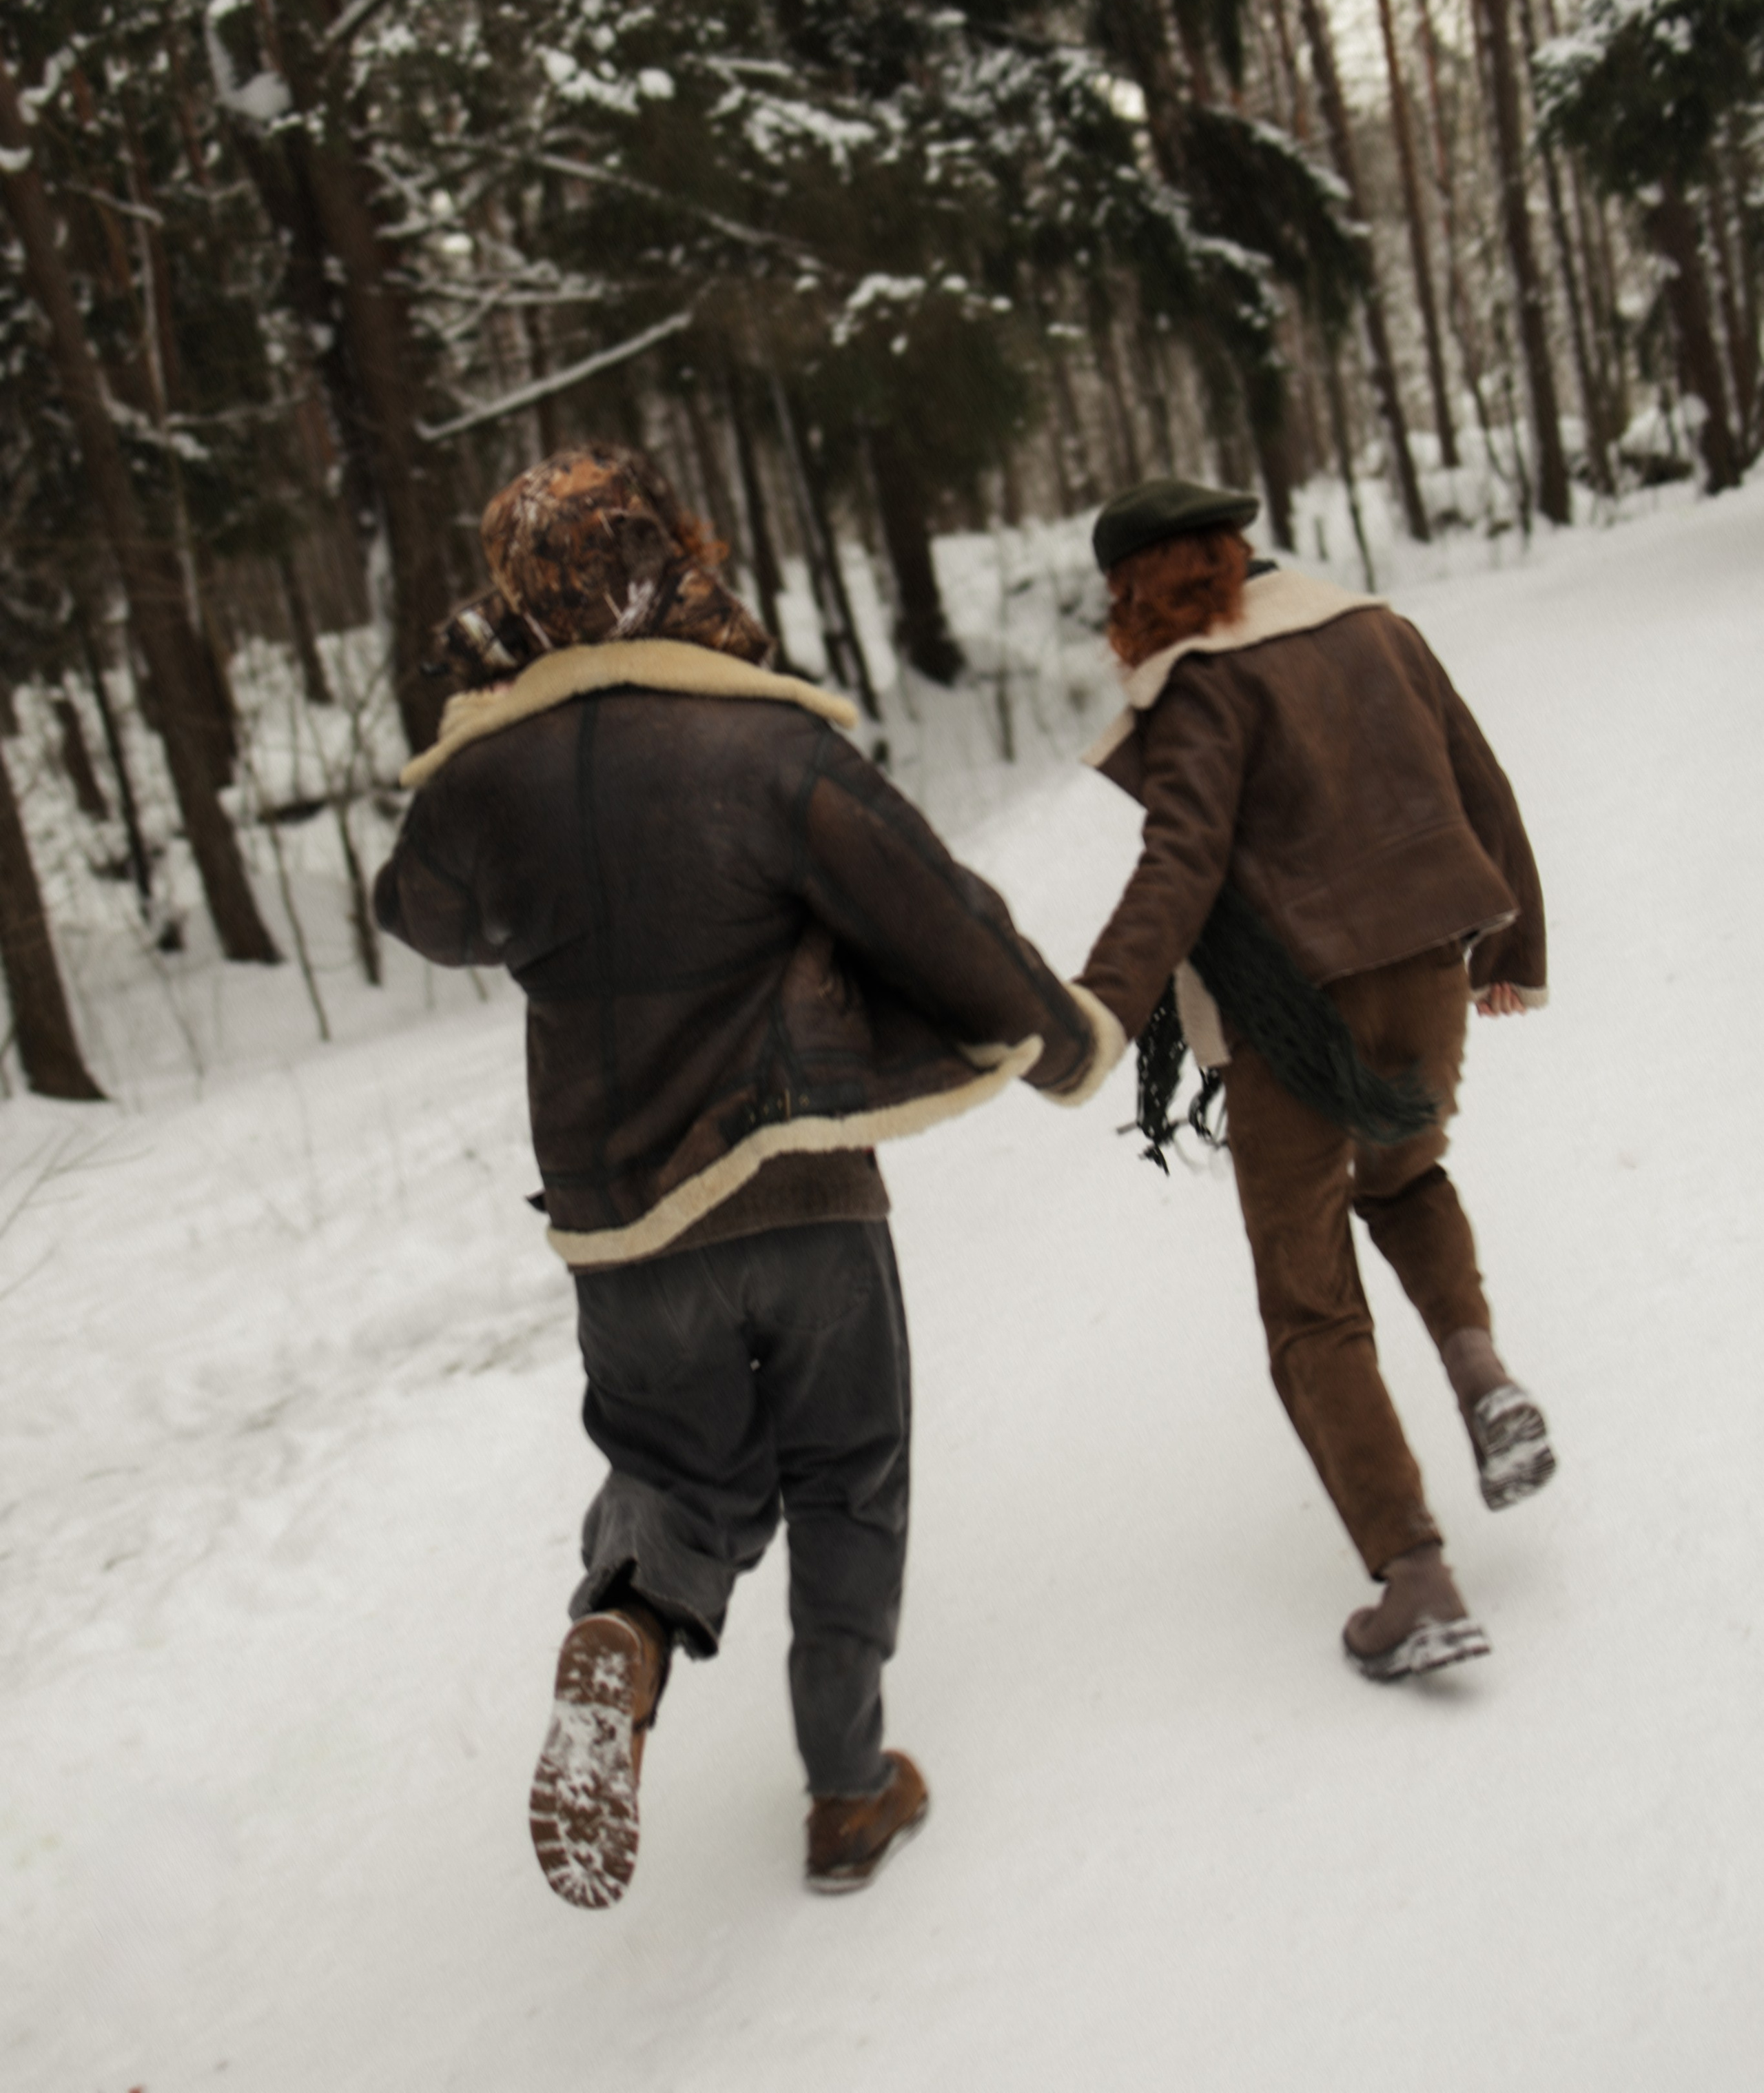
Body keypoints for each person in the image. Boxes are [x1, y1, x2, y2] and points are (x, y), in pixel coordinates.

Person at [373, 442, 1118, 1904]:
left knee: (672, 1473)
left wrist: (488, 735)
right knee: (848, 1477)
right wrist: (1060, 1040)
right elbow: (934, 910)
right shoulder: (763, 745)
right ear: (667, 553)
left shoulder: (481, 786)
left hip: (620, 1231)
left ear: (515, 594)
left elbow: (418, 913)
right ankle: (846, 1792)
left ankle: (626, 1636)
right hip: (801, 1197)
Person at [1074, 476, 1555, 1681]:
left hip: (1297, 1019)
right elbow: (1479, 782)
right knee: (1403, 1180)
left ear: (1136, 588)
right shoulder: (1374, 627)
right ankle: (1480, 1373)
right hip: (1425, 974)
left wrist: (1097, 1012)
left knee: (1309, 1304)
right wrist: (1512, 948)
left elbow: (1180, 865)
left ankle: (1416, 1579)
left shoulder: (1199, 680)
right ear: (1236, 549)